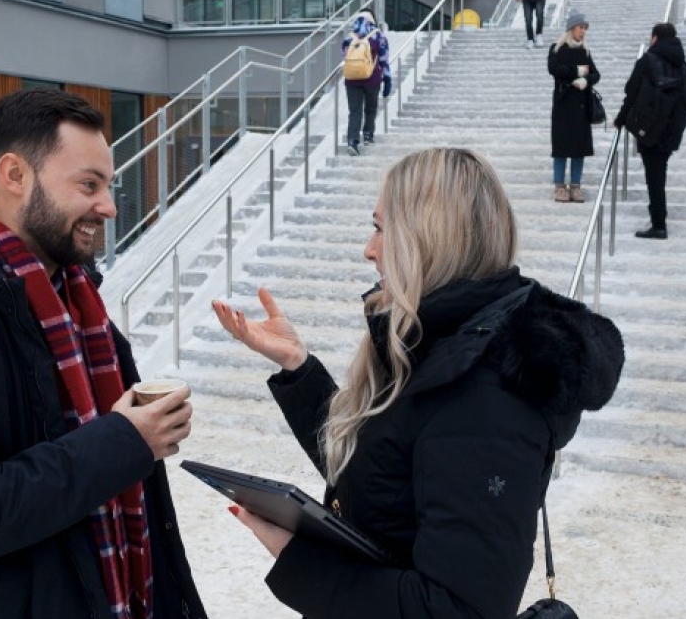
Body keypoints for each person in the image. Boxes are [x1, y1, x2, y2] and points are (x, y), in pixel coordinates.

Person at [209, 147, 624, 619]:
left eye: (381, 228)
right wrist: (298, 367)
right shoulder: (441, 345)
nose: (369, 248)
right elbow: (383, 469)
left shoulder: (488, 391)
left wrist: (301, 564)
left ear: (429, 238)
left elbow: (458, 609)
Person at [0, 88, 208, 619]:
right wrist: (120, 443)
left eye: (109, 185)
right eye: (88, 185)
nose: (110, 206)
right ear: (15, 176)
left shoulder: (80, 308)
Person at [613, 22, 686, 240]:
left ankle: (659, 224)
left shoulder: (648, 60)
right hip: (671, 132)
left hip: (649, 130)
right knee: (659, 174)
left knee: (655, 177)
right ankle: (659, 219)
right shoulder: (685, 67)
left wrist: (621, 119)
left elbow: (631, 92)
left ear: (655, 38)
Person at [547, 11, 601, 203]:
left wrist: (586, 81)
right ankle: (560, 187)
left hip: (580, 106)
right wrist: (577, 71)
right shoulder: (557, 48)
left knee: (579, 149)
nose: (583, 32)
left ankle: (576, 187)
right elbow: (553, 69)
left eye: (585, 28)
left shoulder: (585, 51)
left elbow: (596, 74)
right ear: (571, 28)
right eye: (581, 28)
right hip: (562, 105)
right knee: (561, 148)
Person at [341, 8, 392, 156]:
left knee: (354, 111)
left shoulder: (349, 37)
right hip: (372, 78)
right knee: (370, 108)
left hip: (351, 80)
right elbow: (384, 58)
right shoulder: (378, 36)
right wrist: (387, 78)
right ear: (372, 19)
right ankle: (368, 135)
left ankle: (352, 141)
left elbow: (344, 55)